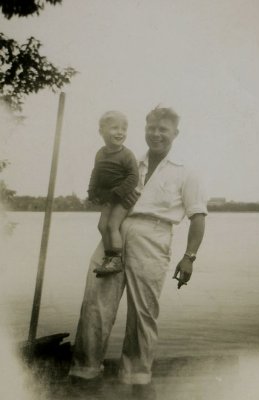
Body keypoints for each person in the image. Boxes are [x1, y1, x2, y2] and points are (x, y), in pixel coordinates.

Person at [69, 107, 207, 395]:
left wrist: (189, 257)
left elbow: (198, 217)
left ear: (175, 134)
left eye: (163, 130)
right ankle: (85, 372)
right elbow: (104, 188)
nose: (155, 134)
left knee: (143, 311)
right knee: (95, 304)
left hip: (154, 236)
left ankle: (137, 379)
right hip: (115, 231)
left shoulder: (187, 171)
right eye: (151, 128)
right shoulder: (128, 158)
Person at [87, 111, 139, 276]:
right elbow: (96, 173)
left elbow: (133, 177)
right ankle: (109, 258)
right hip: (108, 196)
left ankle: (116, 259)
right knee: (101, 226)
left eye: (123, 129)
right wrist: (92, 190)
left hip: (123, 197)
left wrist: (119, 192)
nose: (120, 132)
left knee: (112, 225)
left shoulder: (127, 154)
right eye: (114, 128)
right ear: (101, 131)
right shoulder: (100, 153)